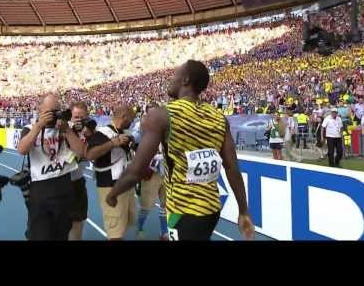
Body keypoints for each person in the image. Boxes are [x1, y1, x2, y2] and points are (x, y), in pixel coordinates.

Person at [105, 60, 254, 241]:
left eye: (174, 75)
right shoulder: (218, 117)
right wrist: (243, 211)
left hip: (183, 211)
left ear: (185, 80)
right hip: (211, 210)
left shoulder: (163, 115)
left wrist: (113, 194)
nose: (170, 79)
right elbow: (232, 167)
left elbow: (136, 169)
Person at [17, 93, 86, 240]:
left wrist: (67, 130)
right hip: (40, 189)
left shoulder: (68, 127)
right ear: (40, 109)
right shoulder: (30, 128)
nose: (54, 115)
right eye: (50, 111)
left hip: (65, 186)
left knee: (61, 234)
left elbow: (81, 152)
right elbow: (22, 150)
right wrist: (39, 126)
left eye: (57, 110)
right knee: (39, 234)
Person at [85, 105, 136, 240]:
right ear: (124, 116)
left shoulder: (126, 132)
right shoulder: (103, 132)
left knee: (122, 224)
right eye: (132, 118)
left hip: (125, 184)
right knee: (115, 230)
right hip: (110, 185)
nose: (133, 122)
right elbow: (89, 155)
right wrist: (113, 143)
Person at [135, 107, 168, 240]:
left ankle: (164, 232)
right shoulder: (140, 130)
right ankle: (139, 228)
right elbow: (136, 147)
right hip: (151, 174)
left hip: (166, 172)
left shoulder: (167, 130)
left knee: (166, 204)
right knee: (146, 206)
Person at [67, 101, 90, 241]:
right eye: (76, 117)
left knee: (78, 218)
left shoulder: (90, 132)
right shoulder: (63, 130)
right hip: (60, 182)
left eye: (82, 117)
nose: (79, 120)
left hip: (78, 181)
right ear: (70, 116)